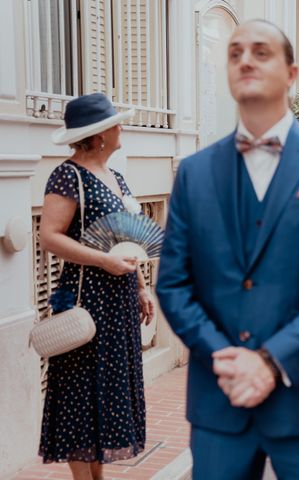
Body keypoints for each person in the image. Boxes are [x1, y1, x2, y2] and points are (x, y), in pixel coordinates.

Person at [156, 20, 299, 480]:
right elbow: (174, 284)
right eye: (235, 53)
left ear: (292, 74)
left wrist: (272, 361)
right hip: (221, 400)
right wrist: (225, 358)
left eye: (260, 51)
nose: (245, 60)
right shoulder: (194, 173)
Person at [39, 93, 152, 479]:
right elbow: (50, 236)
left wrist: (140, 285)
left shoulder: (115, 177)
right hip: (85, 297)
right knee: (80, 393)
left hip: (118, 299)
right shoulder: (68, 175)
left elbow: (124, 238)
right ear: (101, 134)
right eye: (118, 123)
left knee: (106, 393)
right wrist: (104, 261)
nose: (123, 128)